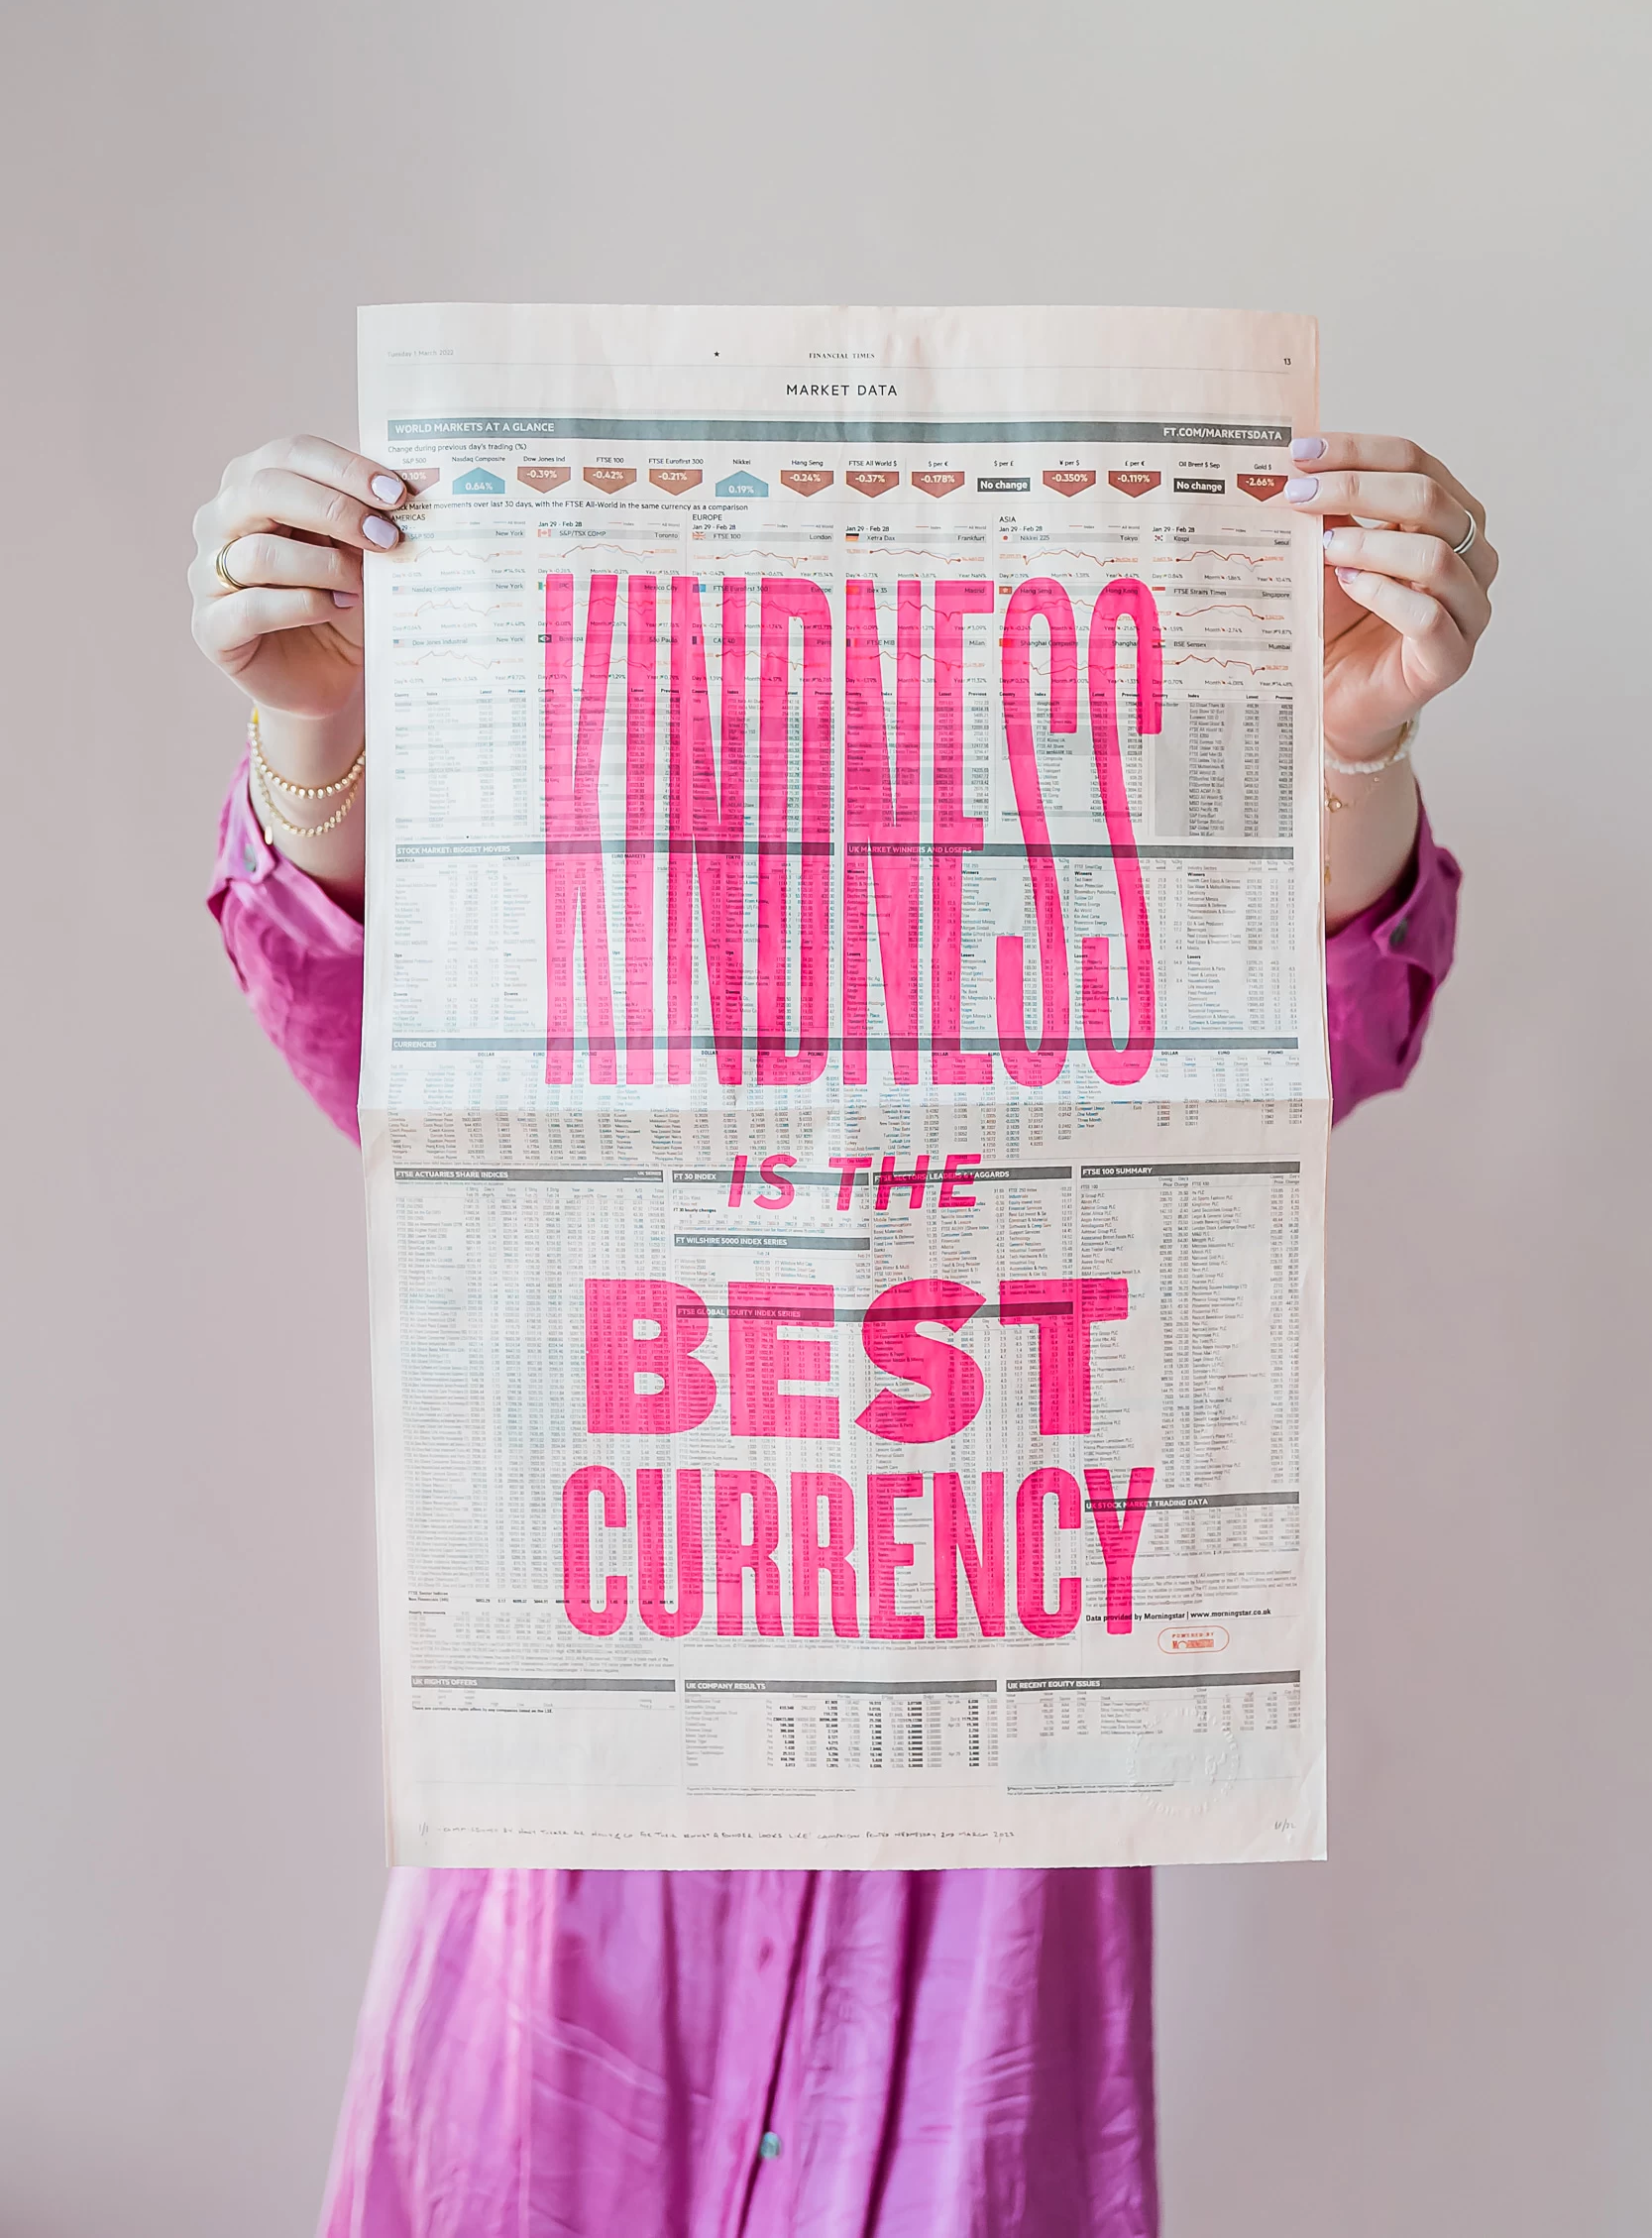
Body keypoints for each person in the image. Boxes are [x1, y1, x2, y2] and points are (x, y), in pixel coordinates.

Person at [192, 424, 1492, 2238]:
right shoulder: (588, 998)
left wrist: (1352, 741)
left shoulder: (1088, 993)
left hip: (982, 1896)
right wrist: (319, 743)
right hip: (570, 1913)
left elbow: (1302, 1055)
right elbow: (381, 1053)